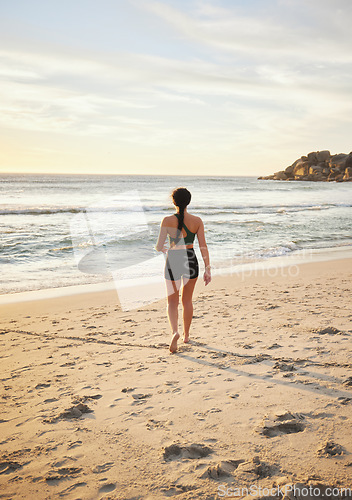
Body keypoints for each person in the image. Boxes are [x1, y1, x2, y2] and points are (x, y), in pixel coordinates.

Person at [155, 187, 211, 353]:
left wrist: (165, 249)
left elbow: (159, 246)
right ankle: (186, 336)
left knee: (172, 301)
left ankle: (175, 332)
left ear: (173, 202)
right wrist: (208, 268)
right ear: (189, 201)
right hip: (191, 259)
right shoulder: (197, 221)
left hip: (173, 259)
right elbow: (203, 246)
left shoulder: (166, 220)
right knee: (187, 301)